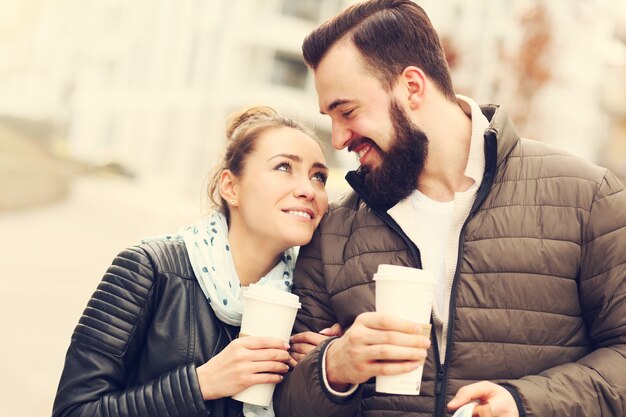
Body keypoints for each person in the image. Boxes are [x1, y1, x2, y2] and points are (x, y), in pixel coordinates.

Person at [274, 1, 626, 417]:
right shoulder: (333, 233)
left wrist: (524, 404)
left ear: (412, 87)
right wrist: (334, 370)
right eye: (329, 117)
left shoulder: (587, 198)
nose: (337, 139)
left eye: (347, 111)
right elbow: (285, 402)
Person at [52, 106, 331, 417]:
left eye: (318, 176)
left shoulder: (312, 304)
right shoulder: (148, 270)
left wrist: (327, 376)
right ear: (230, 187)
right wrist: (201, 384)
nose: (309, 190)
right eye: (283, 167)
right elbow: (73, 410)